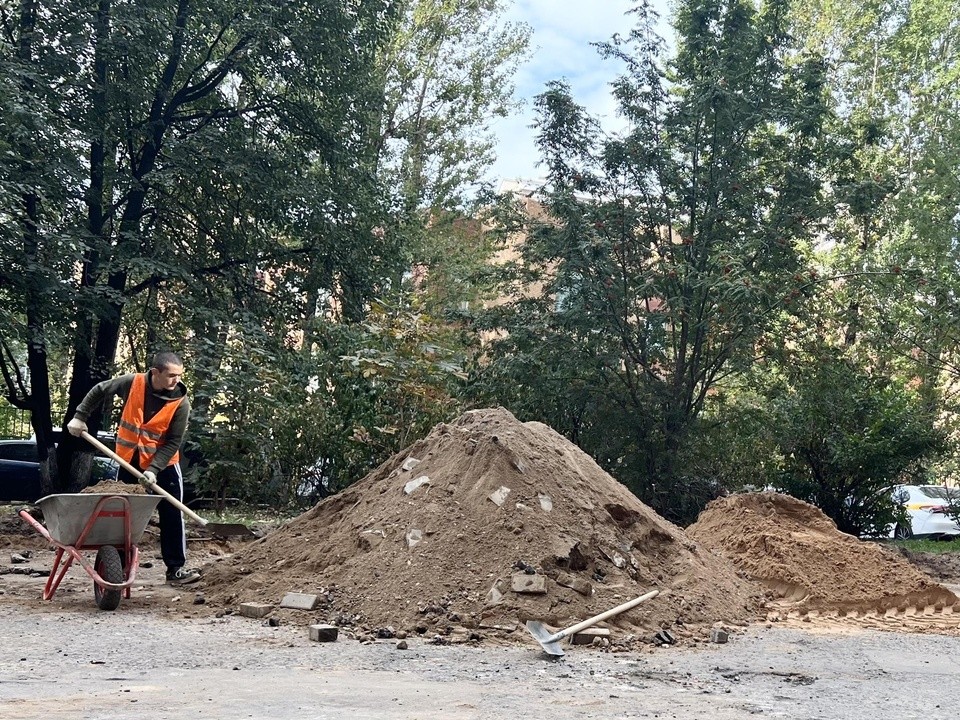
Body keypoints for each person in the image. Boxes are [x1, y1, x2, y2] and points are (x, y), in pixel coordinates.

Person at [67, 351, 201, 585]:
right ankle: (117, 567)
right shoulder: (133, 383)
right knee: (122, 514)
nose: (176, 380)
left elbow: (172, 442)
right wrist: (80, 416)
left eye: (179, 375)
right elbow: (100, 390)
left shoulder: (181, 401)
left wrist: (154, 469)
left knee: (171, 513)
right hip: (128, 460)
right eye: (171, 375)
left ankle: (175, 569)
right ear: (155, 373)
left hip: (164, 465)